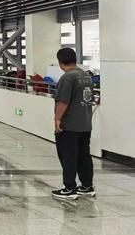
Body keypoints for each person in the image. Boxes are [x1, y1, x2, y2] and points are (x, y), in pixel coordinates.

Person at [51, 48, 96, 200]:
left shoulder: (68, 77)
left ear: (60, 62)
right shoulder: (86, 76)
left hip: (69, 125)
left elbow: (63, 101)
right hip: (85, 124)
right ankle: (87, 186)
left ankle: (69, 188)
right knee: (84, 156)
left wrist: (57, 119)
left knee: (68, 156)